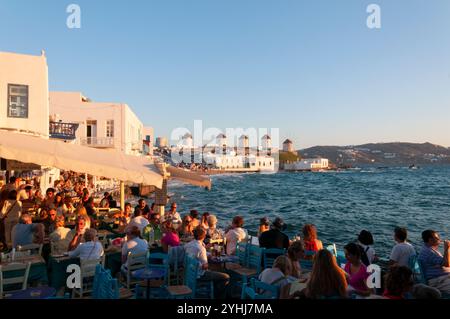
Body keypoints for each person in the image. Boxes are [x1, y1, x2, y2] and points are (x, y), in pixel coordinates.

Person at [184, 227, 230, 299]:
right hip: (200, 275)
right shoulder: (200, 248)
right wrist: (210, 259)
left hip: (190, 272)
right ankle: (219, 296)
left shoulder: (188, 244)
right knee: (225, 277)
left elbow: (195, 255)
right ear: (204, 236)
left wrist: (206, 253)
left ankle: (215, 290)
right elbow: (205, 266)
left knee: (216, 274)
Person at [417, 229, 450, 295]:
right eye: (437, 238)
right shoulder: (429, 252)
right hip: (437, 280)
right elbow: (446, 264)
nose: (439, 239)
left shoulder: (429, 249)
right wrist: (446, 249)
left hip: (442, 278)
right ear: (430, 240)